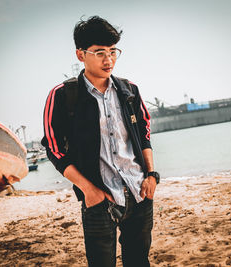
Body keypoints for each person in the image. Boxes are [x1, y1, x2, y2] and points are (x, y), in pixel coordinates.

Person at [41, 16, 160, 267]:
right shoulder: (64, 95)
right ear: (80, 54)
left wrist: (152, 176)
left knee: (139, 262)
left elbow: (144, 134)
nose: (108, 60)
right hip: (99, 200)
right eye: (99, 53)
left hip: (139, 192)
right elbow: (53, 148)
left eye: (113, 51)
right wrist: (88, 190)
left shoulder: (130, 91)